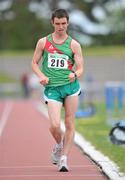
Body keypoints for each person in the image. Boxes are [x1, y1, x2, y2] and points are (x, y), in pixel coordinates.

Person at [32, 9, 84, 172]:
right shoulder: (43, 42)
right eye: (57, 24)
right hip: (52, 88)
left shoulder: (74, 44)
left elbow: (81, 68)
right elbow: (34, 63)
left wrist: (74, 73)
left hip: (71, 88)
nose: (61, 27)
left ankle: (64, 159)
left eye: (63, 23)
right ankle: (58, 145)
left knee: (69, 122)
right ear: (52, 23)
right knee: (54, 125)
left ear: (67, 23)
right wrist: (41, 75)